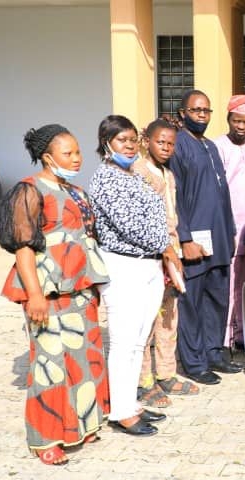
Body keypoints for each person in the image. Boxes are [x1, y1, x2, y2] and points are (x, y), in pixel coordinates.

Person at [0, 124, 110, 464]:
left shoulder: (76, 191)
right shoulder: (29, 190)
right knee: (50, 366)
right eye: (68, 153)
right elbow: (23, 249)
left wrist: (93, 288)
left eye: (78, 152)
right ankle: (47, 437)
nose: (77, 159)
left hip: (80, 290)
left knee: (83, 363)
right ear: (47, 157)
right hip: (47, 291)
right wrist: (33, 295)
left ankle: (80, 425)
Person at [87, 115, 171, 436]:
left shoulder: (133, 175)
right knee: (123, 342)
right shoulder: (106, 178)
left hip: (148, 264)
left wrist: (160, 242)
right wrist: (164, 242)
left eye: (133, 139)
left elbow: (159, 214)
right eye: (123, 140)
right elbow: (131, 226)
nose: (130, 145)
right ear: (107, 143)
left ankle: (130, 403)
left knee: (138, 341)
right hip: (124, 265)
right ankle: (120, 411)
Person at [169, 90, 243, 386]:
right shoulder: (179, 146)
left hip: (220, 237)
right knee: (192, 302)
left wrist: (231, 231)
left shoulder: (211, 146)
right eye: (196, 110)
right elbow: (174, 199)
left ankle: (214, 352)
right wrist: (184, 238)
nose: (202, 115)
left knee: (217, 298)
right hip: (195, 242)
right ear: (183, 113)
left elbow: (222, 194)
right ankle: (194, 361)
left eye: (206, 111)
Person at [134, 118, 198, 409]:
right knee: (145, 320)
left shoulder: (168, 174)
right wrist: (163, 252)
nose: (166, 148)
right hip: (149, 256)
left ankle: (167, 373)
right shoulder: (138, 172)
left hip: (171, 255)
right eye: (160, 142)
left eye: (171, 144)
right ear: (146, 140)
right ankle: (144, 381)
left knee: (168, 317)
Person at [213, 94, 245, 349]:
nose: (241, 126)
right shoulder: (217, 146)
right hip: (228, 226)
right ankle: (226, 337)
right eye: (237, 121)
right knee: (228, 283)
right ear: (228, 119)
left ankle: (244, 335)